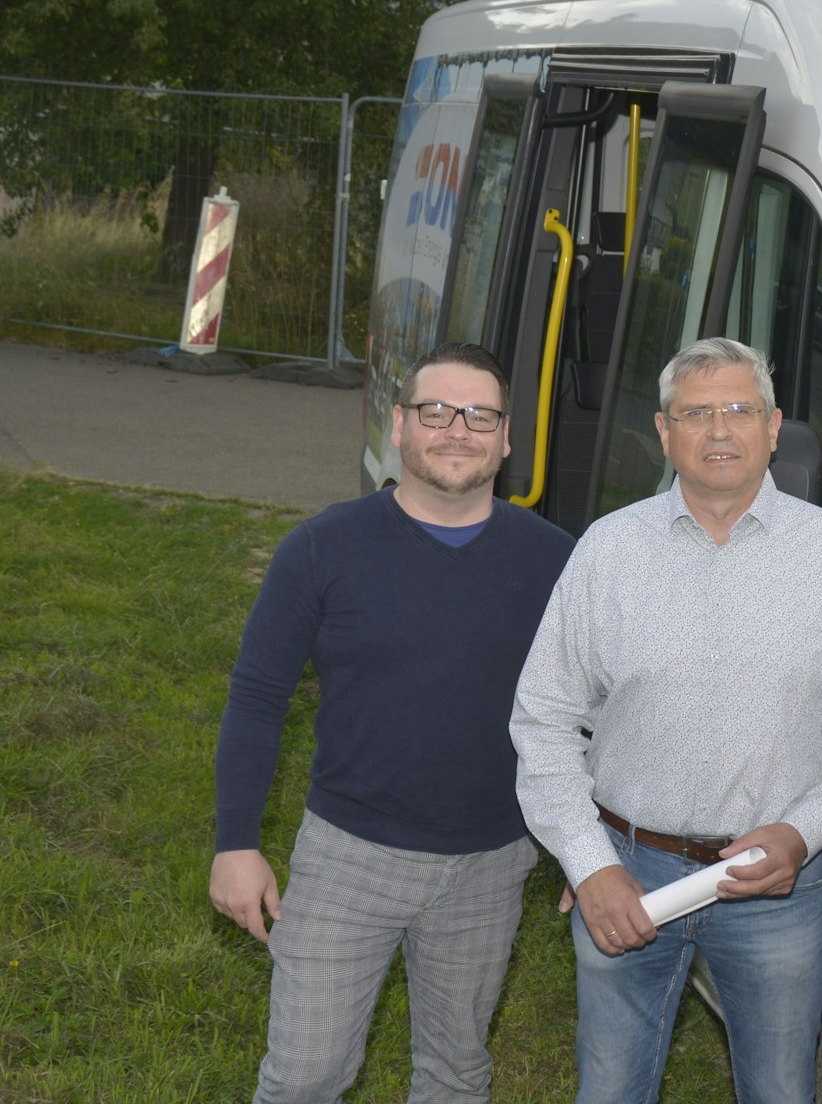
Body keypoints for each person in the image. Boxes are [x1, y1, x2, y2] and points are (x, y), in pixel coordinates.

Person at [510, 337, 822, 1104]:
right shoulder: (608, 551)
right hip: (627, 870)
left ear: (775, 427)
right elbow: (543, 720)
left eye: (739, 409)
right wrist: (590, 866)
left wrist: (803, 831)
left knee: (781, 1091)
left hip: (776, 883)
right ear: (662, 431)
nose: (719, 430)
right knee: (611, 1088)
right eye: (696, 413)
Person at [208, 341, 576, 1102]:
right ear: (400, 427)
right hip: (348, 856)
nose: (456, 430)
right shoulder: (322, 548)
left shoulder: (557, 563)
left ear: (507, 439)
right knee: (305, 1074)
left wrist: (590, 845)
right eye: (434, 411)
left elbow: (596, 711)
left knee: (455, 1071)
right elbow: (255, 697)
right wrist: (236, 843)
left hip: (491, 862)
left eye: (480, 415)